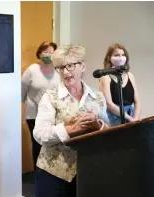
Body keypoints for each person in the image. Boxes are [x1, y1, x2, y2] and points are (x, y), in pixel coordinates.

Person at [33, 44, 110, 197]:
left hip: (89, 172)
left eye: (70, 66)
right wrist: (72, 129)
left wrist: (97, 124)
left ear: (82, 66)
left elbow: (108, 132)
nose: (65, 72)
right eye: (60, 68)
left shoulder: (98, 97)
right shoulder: (50, 97)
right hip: (53, 175)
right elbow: (40, 134)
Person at [21, 41, 60, 169]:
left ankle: (51, 172)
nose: (48, 54)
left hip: (54, 115)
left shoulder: (58, 71)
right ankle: (38, 174)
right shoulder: (32, 70)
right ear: (39, 53)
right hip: (34, 115)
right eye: (45, 52)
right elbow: (21, 92)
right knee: (38, 146)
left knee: (52, 145)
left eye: (51, 52)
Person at [99, 43, 141, 126]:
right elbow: (109, 105)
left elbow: (137, 101)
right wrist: (129, 118)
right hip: (114, 118)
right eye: (117, 55)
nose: (121, 58)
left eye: (123, 55)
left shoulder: (130, 75)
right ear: (109, 58)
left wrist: (135, 118)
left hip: (131, 116)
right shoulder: (105, 77)